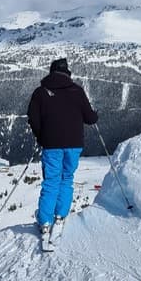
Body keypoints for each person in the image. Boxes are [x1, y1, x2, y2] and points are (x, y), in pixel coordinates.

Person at [27, 57, 98, 241]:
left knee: (51, 181)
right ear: (68, 73)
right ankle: (60, 216)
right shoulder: (77, 91)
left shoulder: (41, 92)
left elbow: (33, 119)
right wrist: (95, 115)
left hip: (51, 144)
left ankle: (44, 222)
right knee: (66, 179)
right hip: (74, 144)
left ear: (51, 72)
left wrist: (41, 137)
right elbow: (90, 118)